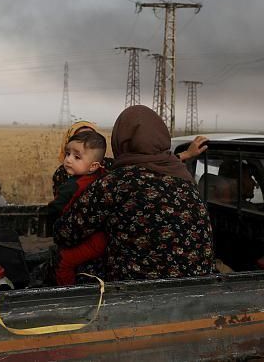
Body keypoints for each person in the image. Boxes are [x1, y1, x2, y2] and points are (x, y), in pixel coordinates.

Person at [54, 105, 215, 282]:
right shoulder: (186, 181)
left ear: (120, 140)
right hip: (198, 286)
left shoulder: (114, 183)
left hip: (136, 293)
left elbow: (66, 234)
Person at [52, 121, 208, 197]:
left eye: (90, 138)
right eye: (80, 138)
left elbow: (147, 164)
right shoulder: (62, 173)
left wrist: (186, 155)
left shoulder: (106, 165)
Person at [47, 131, 108, 285]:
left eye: (77, 157)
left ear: (94, 165)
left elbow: (54, 210)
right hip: (100, 236)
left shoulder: (72, 186)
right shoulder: (103, 176)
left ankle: (69, 294)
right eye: (67, 154)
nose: (68, 160)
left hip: (93, 241)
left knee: (63, 262)